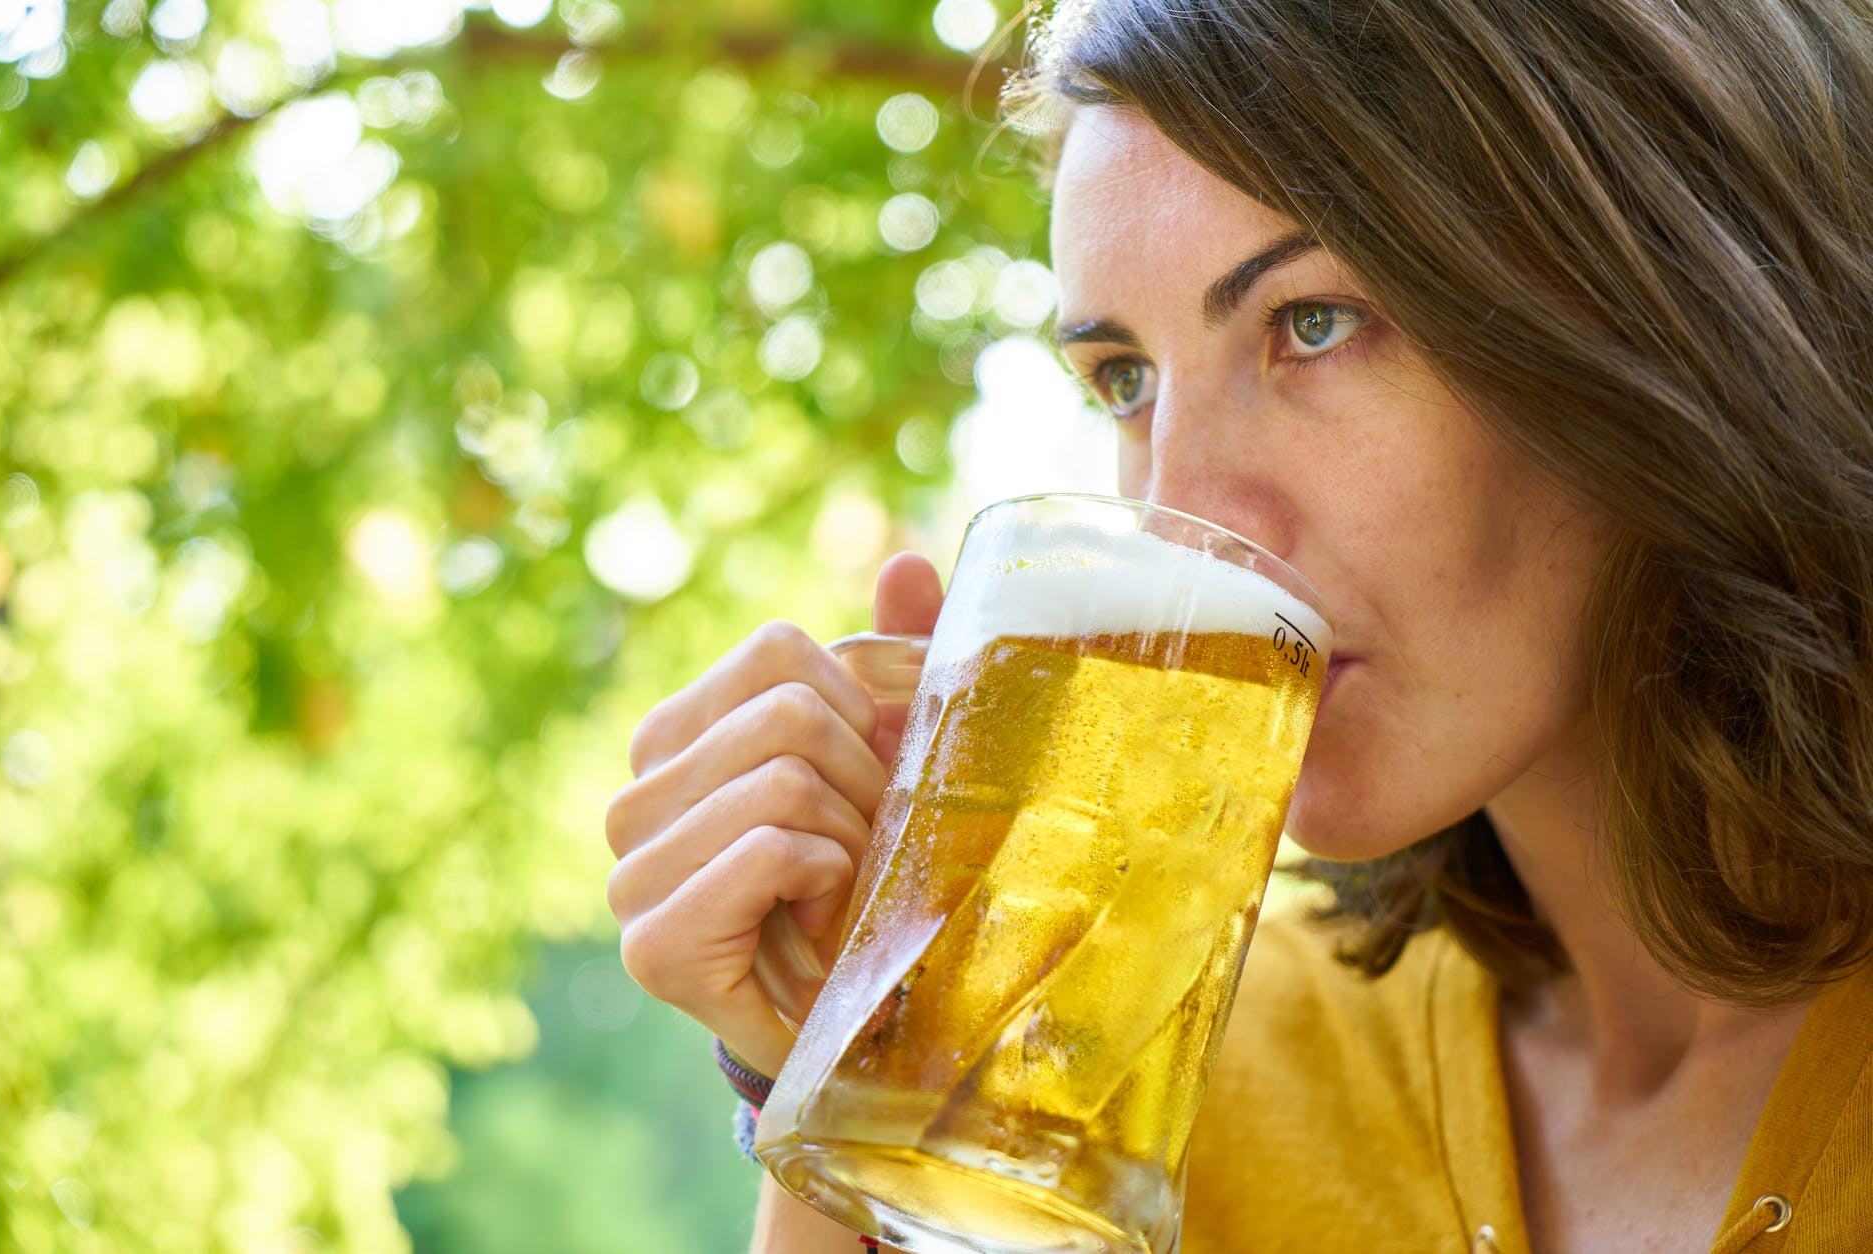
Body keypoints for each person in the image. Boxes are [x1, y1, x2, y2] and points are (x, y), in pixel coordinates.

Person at [604, 0, 1873, 1249]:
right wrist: (854, 1056)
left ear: (1672, 301)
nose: (1188, 515)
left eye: (1313, 324)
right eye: (1125, 380)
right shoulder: (1155, 1114)